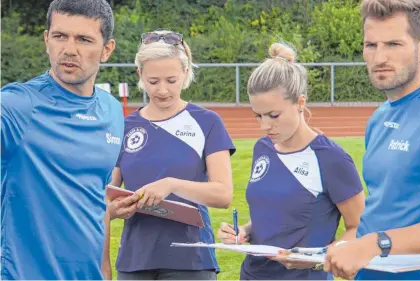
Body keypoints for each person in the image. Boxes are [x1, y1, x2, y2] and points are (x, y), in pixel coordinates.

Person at [322, 0, 420, 280]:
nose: (379, 58)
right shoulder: (380, 118)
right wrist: (345, 247)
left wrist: (376, 244)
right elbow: (384, 209)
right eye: (371, 45)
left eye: (393, 45)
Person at [216, 42, 365, 280]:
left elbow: (360, 228)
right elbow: (274, 214)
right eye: (258, 116)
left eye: (274, 115)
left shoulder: (331, 159)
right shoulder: (262, 148)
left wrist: (317, 257)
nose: (265, 126)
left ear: (300, 103)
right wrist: (244, 230)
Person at [0, 0, 121, 279]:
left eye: (84, 39)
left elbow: (98, 197)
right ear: (46, 40)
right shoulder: (18, 105)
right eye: (59, 36)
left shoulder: (112, 110)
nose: (69, 49)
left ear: (106, 49)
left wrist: (104, 270)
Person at [103, 30, 236, 280]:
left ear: (185, 74)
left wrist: (171, 185)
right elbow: (105, 194)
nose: (162, 90)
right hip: (135, 261)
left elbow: (223, 194)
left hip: (192, 259)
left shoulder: (207, 122)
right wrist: (113, 209)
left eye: (171, 80)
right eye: (153, 82)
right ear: (139, 75)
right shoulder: (125, 126)